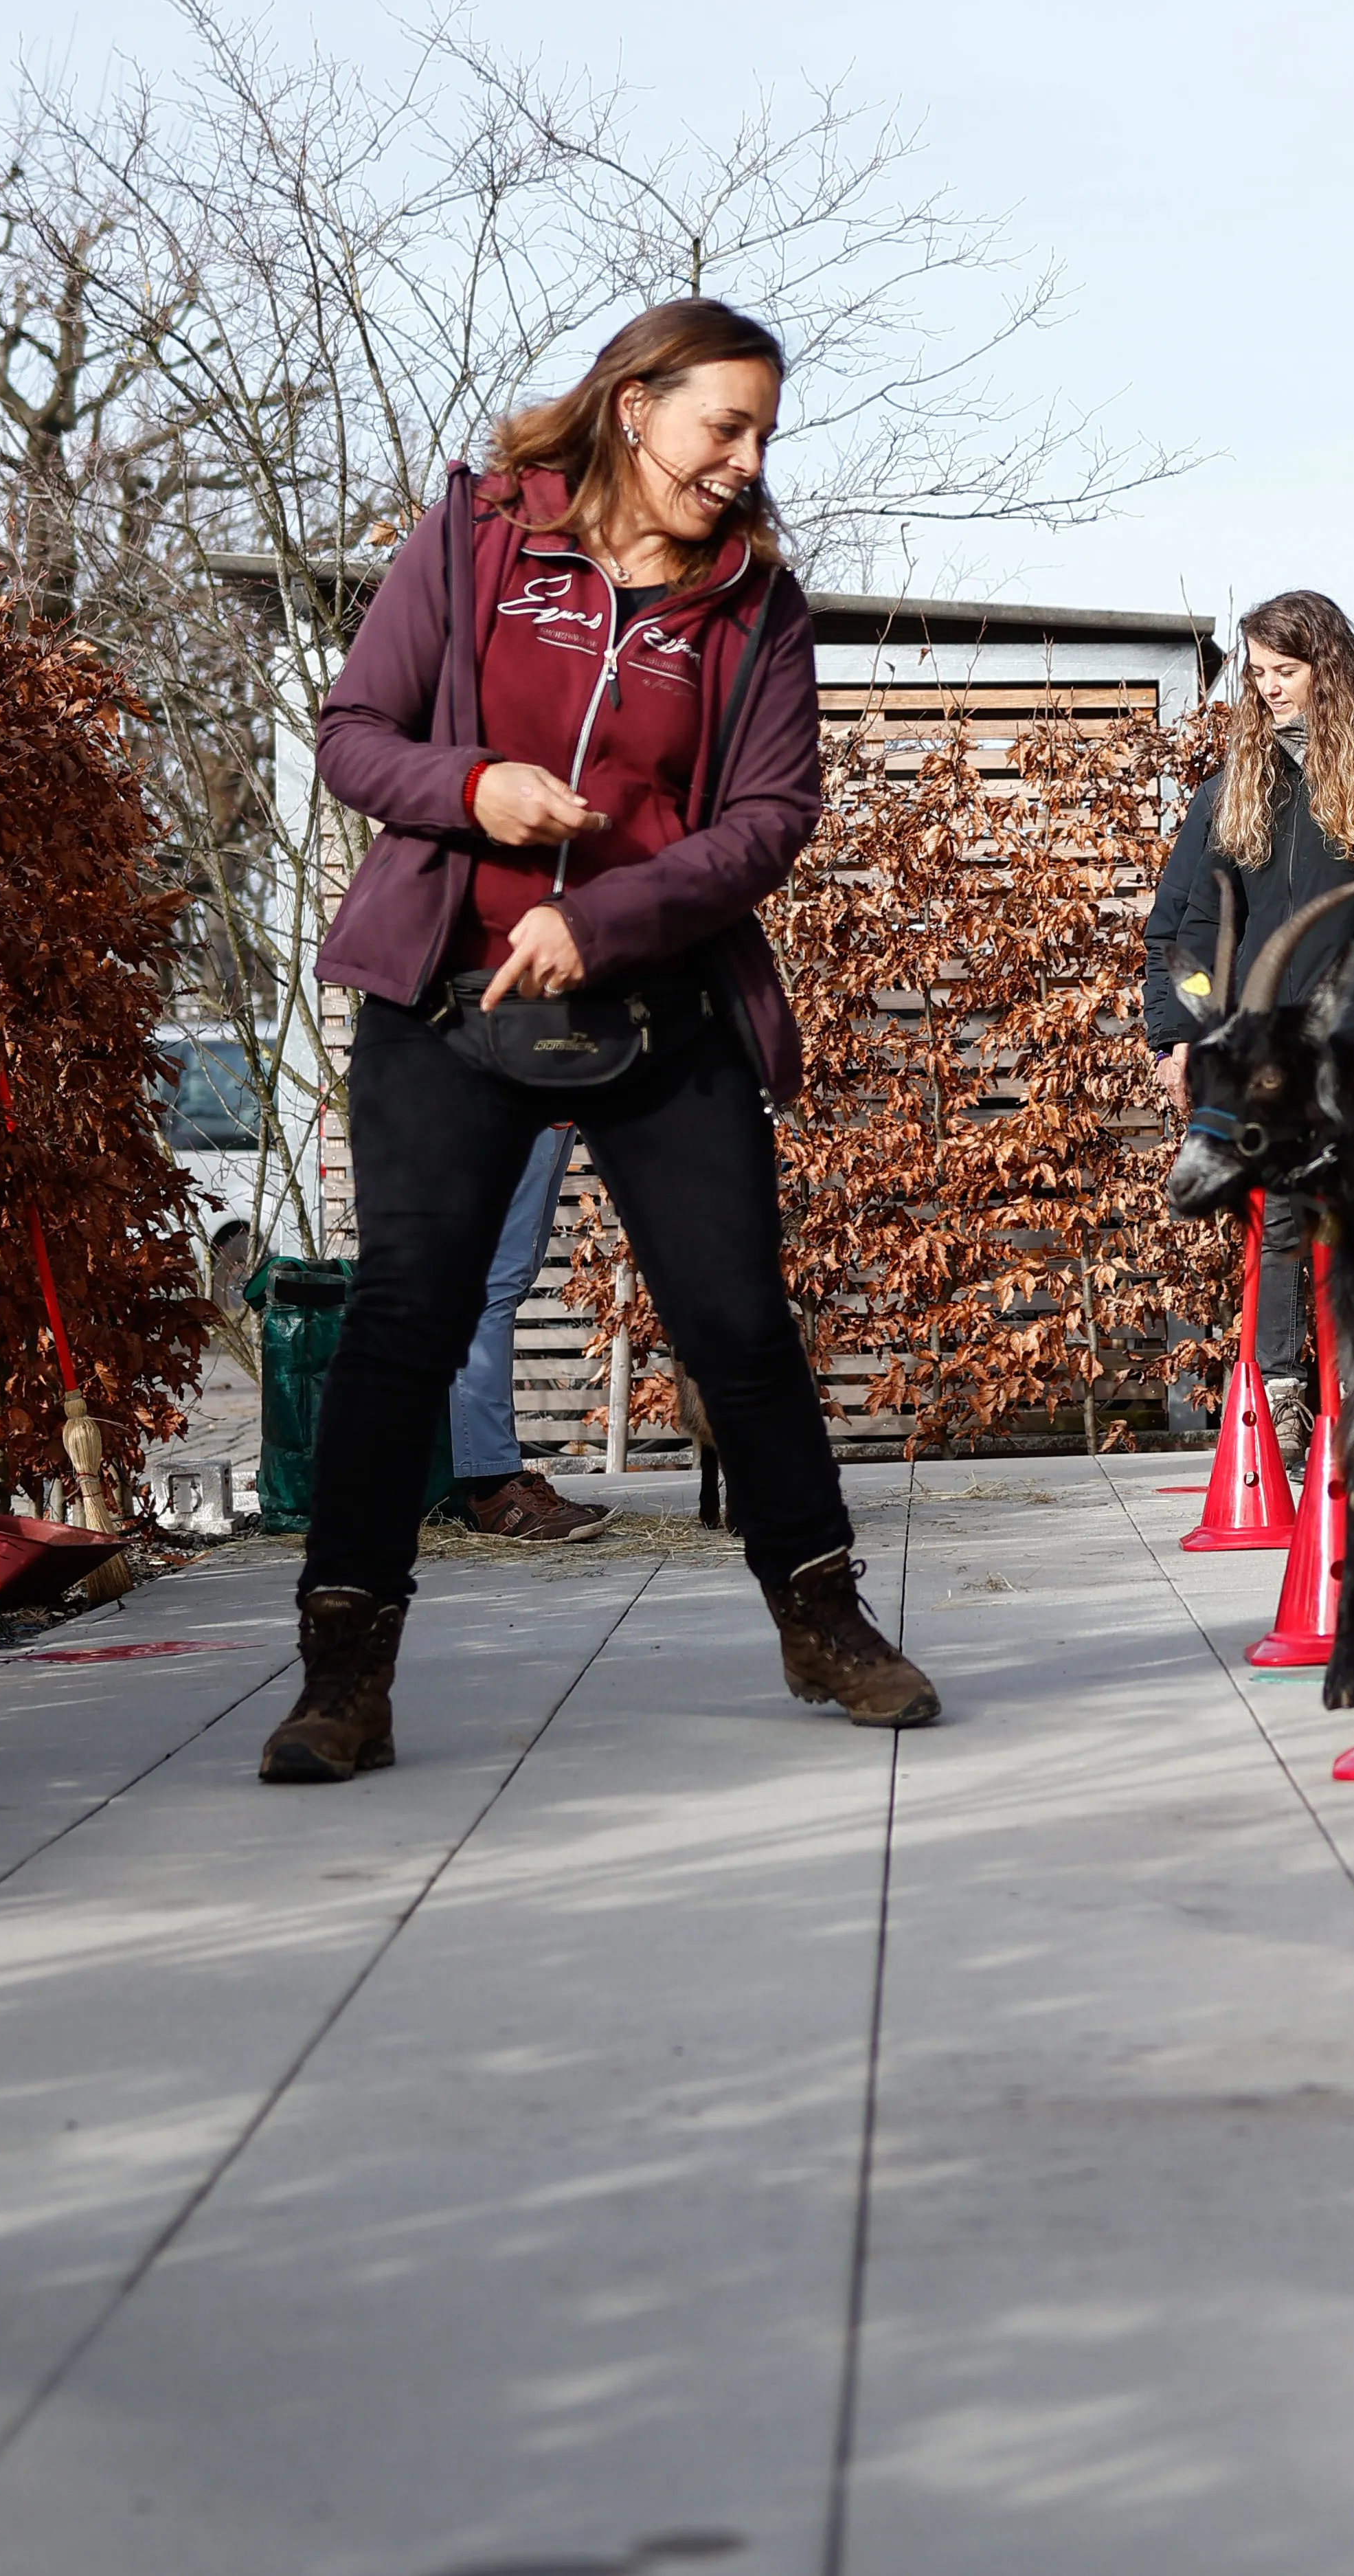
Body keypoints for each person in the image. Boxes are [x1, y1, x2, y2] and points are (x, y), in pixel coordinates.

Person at [258, 297, 938, 1785]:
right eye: (725, 425)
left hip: (659, 1010)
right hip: (447, 999)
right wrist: (473, 789)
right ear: (636, 405)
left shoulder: (757, 607)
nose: (747, 460)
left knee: (738, 1325)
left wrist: (613, 914)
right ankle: (342, 1674)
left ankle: (822, 1617)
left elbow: (772, 821)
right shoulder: (479, 536)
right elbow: (352, 726)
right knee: (401, 1326)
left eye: (763, 432)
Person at [1142, 592, 1354, 1458]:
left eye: (1284, 671)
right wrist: (1177, 1031)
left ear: (1326, 666)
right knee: (1282, 1217)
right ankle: (1282, 1399)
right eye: (1256, 673)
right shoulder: (1230, 790)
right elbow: (1185, 928)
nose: (1267, 689)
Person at [440, 1123, 613, 1541]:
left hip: (548, 1088)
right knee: (489, 1282)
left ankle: (495, 1476)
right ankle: (492, 1489)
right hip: (512, 1081)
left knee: (509, 1276)